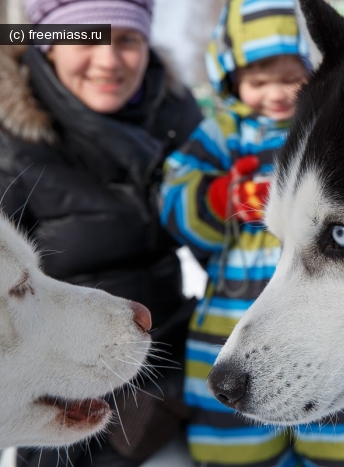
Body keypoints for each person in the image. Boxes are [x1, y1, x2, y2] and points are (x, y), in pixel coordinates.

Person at [159, 1, 344, 466]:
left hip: (325, 317)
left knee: (340, 427)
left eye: (291, 77)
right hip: (230, 311)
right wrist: (223, 198)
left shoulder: (328, 129)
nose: (277, 94)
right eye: (258, 81)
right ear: (231, 77)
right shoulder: (225, 133)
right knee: (233, 432)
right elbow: (174, 194)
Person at [0, 0, 203, 466]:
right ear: (49, 45)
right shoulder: (9, 147)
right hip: (67, 393)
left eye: (128, 39)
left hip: (179, 368)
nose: (109, 59)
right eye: (86, 36)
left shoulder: (177, 114)